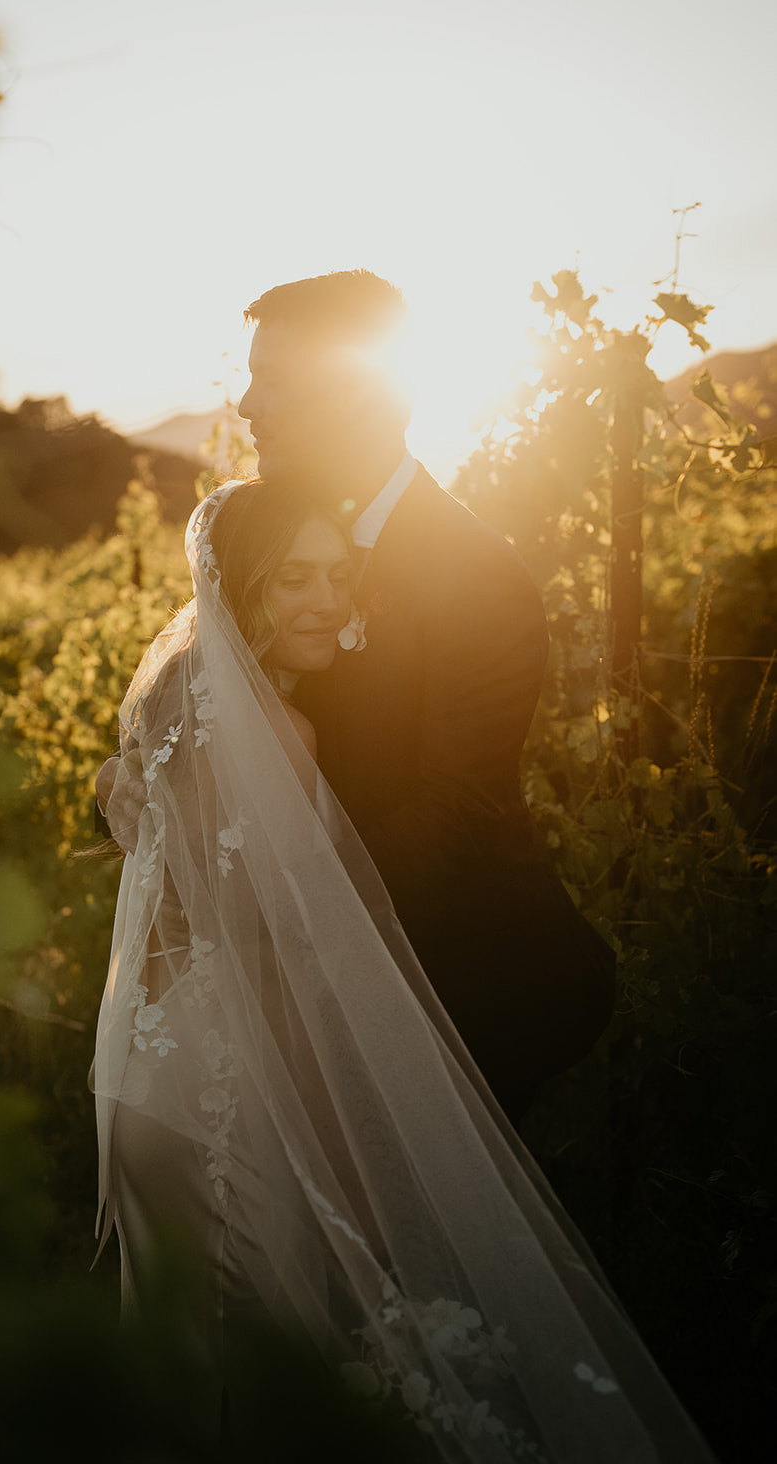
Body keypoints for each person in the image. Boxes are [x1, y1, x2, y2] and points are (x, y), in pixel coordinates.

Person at [91, 476, 715, 1462]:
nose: (327, 601)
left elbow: (169, 864)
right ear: (236, 582)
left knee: (194, 1376)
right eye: (292, 577)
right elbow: (283, 949)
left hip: (154, 1076)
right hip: (229, 1100)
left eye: (339, 574)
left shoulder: (178, 697)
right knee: (277, 1383)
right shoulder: (280, 736)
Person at [236, 270, 615, 1121]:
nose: (245, 405)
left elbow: (459, 809)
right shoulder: (264, 542)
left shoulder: (475, 572)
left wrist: (279, 909)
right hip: (318, 975)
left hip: (470, 974)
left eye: (274, 382)